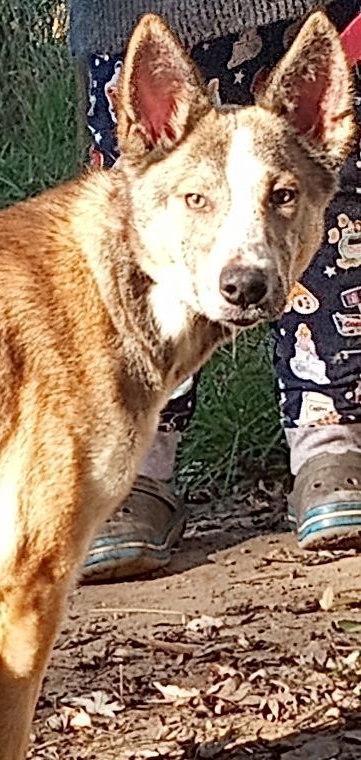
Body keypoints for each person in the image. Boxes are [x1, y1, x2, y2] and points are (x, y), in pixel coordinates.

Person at [69, 0, 361, 580]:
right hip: (131, 13)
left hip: (307, 10)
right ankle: (134, 468)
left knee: (321, 200)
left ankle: (332, 444)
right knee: (141, 214)